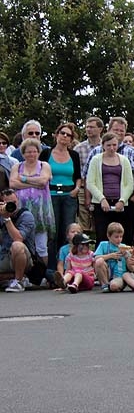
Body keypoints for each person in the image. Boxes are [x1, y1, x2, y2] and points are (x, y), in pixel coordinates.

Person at [9, 137, 55, 269]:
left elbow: (43, 182)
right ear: (23, 153)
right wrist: (34, 183)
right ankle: (24, 275)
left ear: (38, 152)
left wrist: (23, 179)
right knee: (22, 243)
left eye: (34, 151)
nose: (31, 154)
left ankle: (43, 274)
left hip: (41, 210)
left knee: (41, 246)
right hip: (22, 209)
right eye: (28, 152)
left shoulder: (44, 165)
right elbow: (12, 183)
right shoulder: (17, 166)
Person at [45, 122, 83, 273]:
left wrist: (77, 189)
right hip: (51, 195)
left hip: (69, 195)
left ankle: (69, 268)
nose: (65, 137)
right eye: (63, 133)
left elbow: (78, 176)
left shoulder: (74, 155)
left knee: (68, 232)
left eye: (68, 135)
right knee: (52, 232)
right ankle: (52, 269)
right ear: (56, 135)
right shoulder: (46, 153)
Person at [86, 132, 134, 244]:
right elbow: (90, 182)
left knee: (121, 236)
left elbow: (129, 184)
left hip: (119, 203)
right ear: (103, 145)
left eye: (114, 145)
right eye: (109, 145)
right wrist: (102, 199)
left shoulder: (124, 160)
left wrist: (122, 200)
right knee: (102, 235)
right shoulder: (96, 160)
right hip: (101, 204)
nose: (112, 148)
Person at [1, 188, 35, 292]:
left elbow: (18, 238)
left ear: (18, 201)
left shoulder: (26, 216)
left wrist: (7, 218)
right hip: (4, 254)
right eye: (7, 203)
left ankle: (18, 281)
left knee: (17, 245)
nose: (11, 206)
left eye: (14, 202)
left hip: (24, 257)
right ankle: (12, 278)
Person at [93, 222, 130, 292]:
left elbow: (131, 267)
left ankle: (115, 285)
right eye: (116, 237)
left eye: (121, 236)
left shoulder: (124, 247)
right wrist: (110, 256)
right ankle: (105, 284)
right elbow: (96, 258)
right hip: (107, 272)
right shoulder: (103, 244)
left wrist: (128, 256)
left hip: (119, 275)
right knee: (99, 261)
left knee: (114, 286)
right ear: (108, 236)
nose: (119, 239)